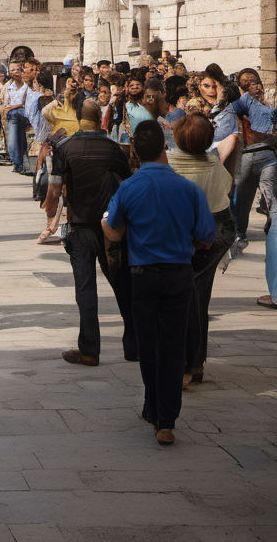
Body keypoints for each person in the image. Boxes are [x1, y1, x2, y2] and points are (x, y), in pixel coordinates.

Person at [103, 120, 216, 446]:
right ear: (165, 147)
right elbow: (206, 236)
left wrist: (107, 224)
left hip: (143, 276)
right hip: (179, 274)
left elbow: (113, 231)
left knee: (149, 345)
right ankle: (165, 420)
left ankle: (154, 409)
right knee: (173, 346)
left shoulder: (129, 188)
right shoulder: (189, 189)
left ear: (136, 153)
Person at [45, 100, 136, 366]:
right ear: (101, 119)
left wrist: (50, 211)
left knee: (85, 290)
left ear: (77, 117)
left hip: (80, 226)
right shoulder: (113, 148)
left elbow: (55, 187)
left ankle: (89, 350)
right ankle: (134, 346)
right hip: (110, 227)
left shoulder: (65, 147)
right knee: (123, 285)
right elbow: (129, 183)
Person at [166, 112, 236, 383]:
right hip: (218, 230)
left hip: (194, 234)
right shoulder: (214, 164)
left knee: (188, 296)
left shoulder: (169, 163)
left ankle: (187, 364)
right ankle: (195, 363)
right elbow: (226, 191)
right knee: (198, 294)